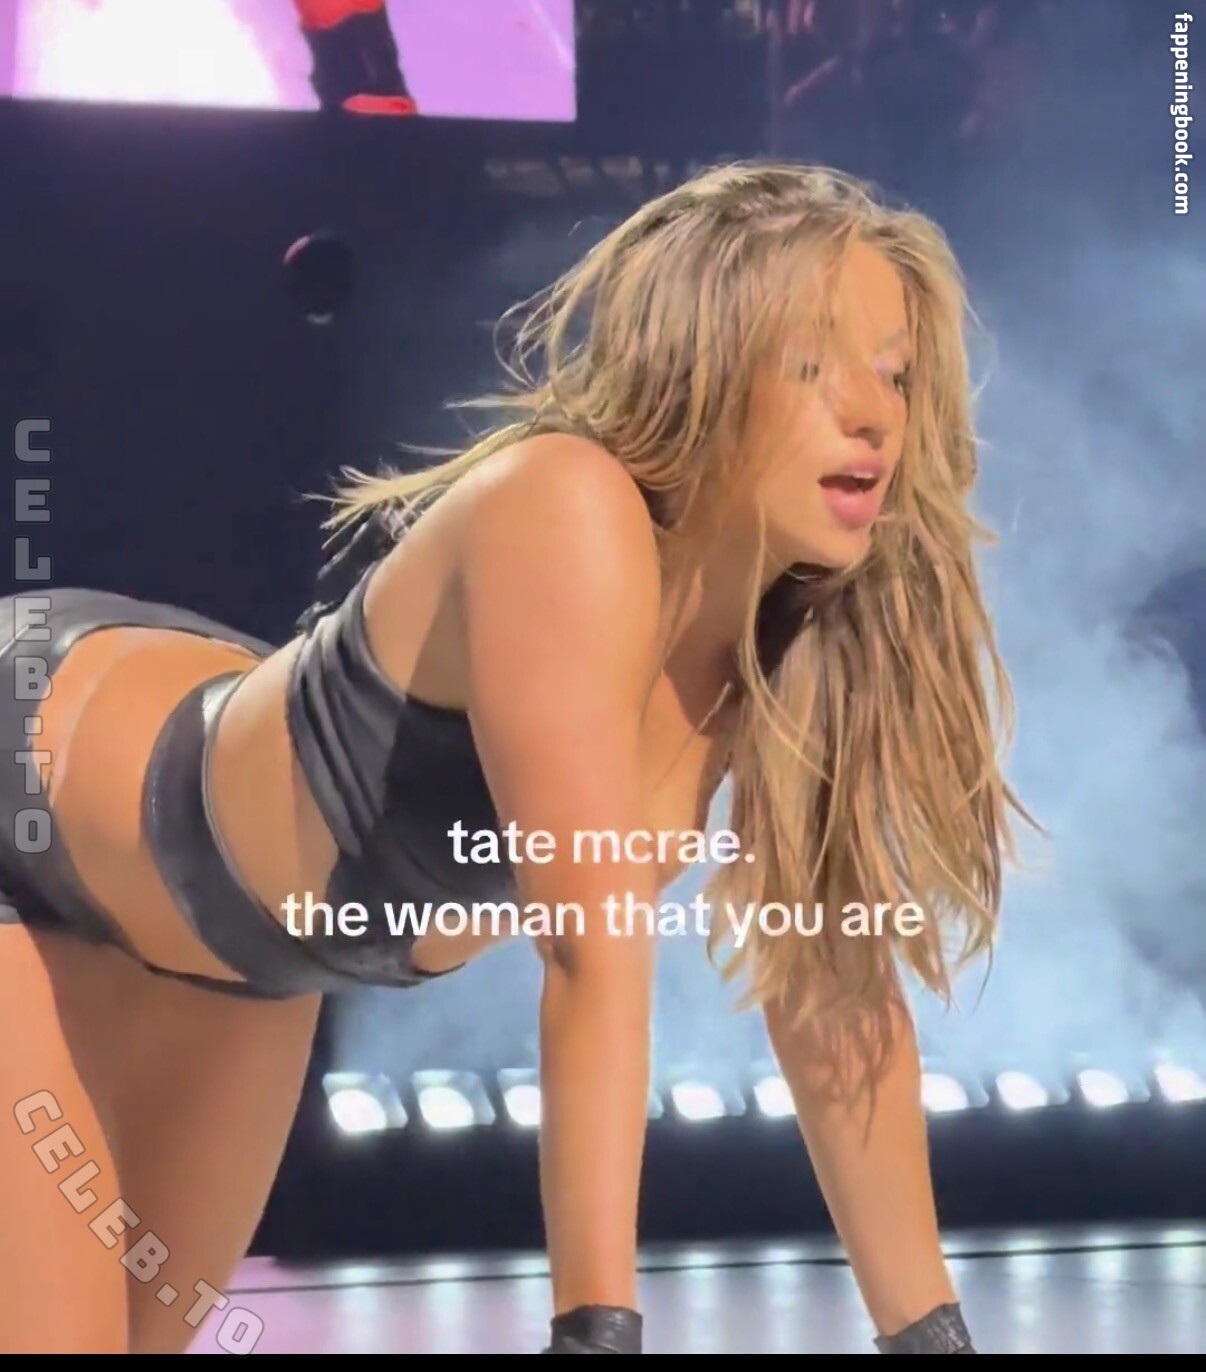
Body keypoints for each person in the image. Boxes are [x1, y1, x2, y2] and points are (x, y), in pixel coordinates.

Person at [0, 161, 1027, 1354]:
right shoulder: (564, 505)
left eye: (894, 374)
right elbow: (592, 952)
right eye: (816, 365)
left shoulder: (790, 645)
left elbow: (832, 987)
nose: (874, 414)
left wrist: (932, 1338)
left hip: (239, 955)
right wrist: (595, 1328)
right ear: (704, 364)